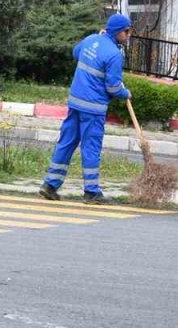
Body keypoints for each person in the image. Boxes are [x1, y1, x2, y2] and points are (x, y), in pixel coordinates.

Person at [40, 13, 133, 205]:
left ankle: (50, 185)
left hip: (75, 103)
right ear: (117, 31)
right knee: (91, 148)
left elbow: (76, 53)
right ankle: (91, 192)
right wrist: (126, 93)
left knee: (66, 143)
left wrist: (97, 39)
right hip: (93, 108)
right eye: (127, 31)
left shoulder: (91, 39)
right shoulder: (114, 55)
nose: (129, 34)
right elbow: (113, 87)